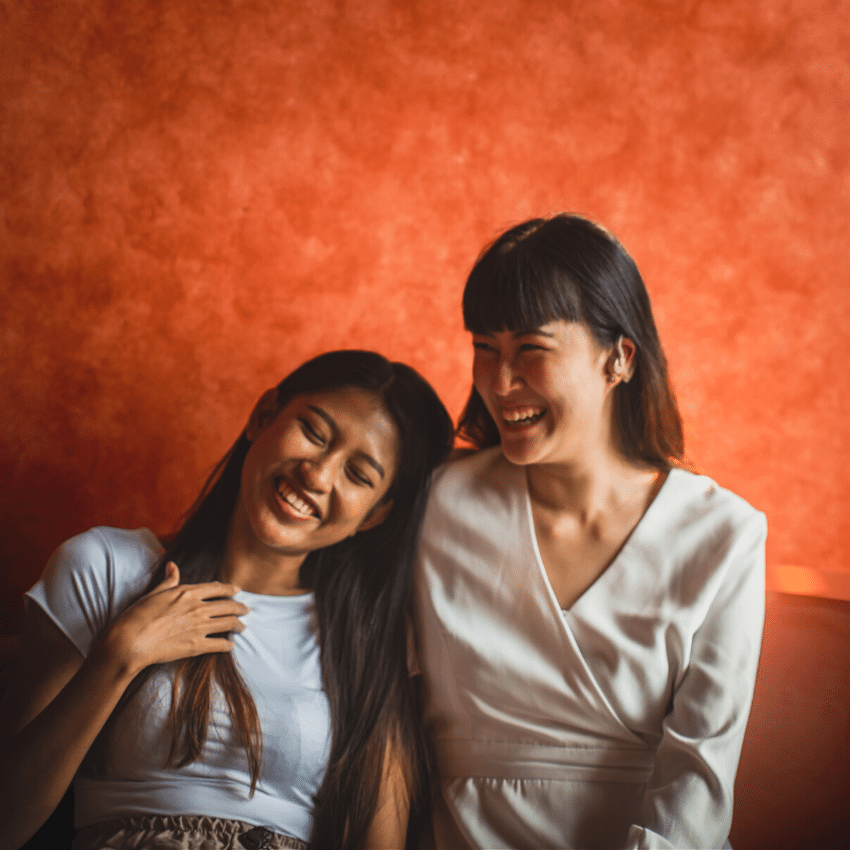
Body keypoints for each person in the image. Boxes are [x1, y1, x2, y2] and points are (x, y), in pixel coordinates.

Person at [0, 350, 454, 850]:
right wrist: (118, 657)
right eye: (314, 432)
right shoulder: (105, 565)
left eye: (359, 475)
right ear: (263, 416)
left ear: (375, 515)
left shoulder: (372, 643)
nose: (319, 475)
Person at [413, 215, 767, 849]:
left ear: (618, 358)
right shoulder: (436, 502)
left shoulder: (723, 536)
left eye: (531, 349)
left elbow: (699, 780)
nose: (499, 382)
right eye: (484, 348)